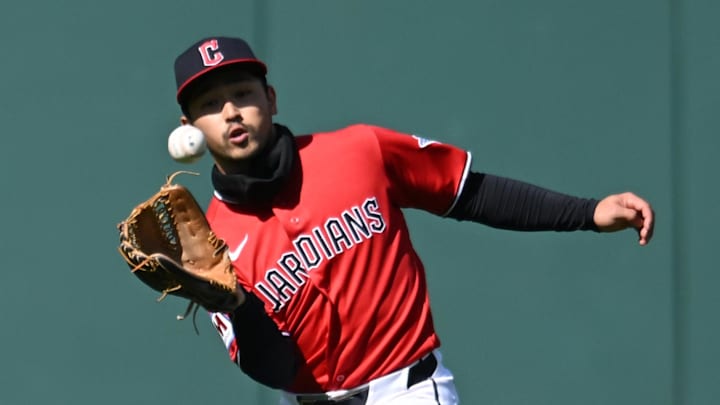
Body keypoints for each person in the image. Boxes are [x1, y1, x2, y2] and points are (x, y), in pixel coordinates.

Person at [171, 36, 655, 405]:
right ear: (190, 128)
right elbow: (275, 366)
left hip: (407, 391)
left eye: (242, 93)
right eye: (210, 104)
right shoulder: (210, 245)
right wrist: (236, 304)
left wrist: (588, 212)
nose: (231, 111)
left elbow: (470, 193)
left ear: (271, 99)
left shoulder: (359, 152)